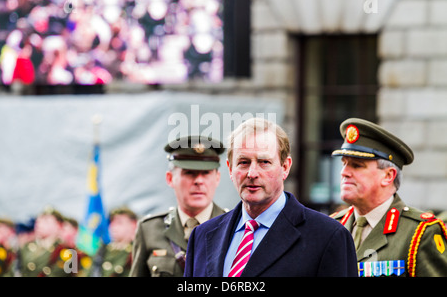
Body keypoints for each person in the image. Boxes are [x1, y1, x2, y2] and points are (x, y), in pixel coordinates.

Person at [184, 118, 358, 277]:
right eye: (243, 162)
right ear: (230, 169)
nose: (252, 173)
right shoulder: (202, 235)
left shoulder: (328, 237)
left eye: (264, 162)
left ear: (285, 167)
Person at [331, 118, 447, 277]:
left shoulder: (419, 233)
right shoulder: (331, 226)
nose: (344, 172)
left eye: (357, 165)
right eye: (344, 163)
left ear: (388, 175)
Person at [130, 135, 227, 277]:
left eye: (206, 173)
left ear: (217, 178)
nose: (199, 181)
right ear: (170, 179)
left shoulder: (233, 226)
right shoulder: (149, 230)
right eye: (189, 173)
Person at [8, 206, 73, 277]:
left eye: (46, 221)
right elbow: (12, 271)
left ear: (59, 225)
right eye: (38, 221)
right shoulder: (27, 246)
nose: (39, 224)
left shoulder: (67, 252)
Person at [88, 207, 137, 277]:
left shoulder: (136, 251)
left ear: (133, 224)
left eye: (119, 222)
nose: (113, 226)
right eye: (111, 222)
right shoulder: (102, 251)